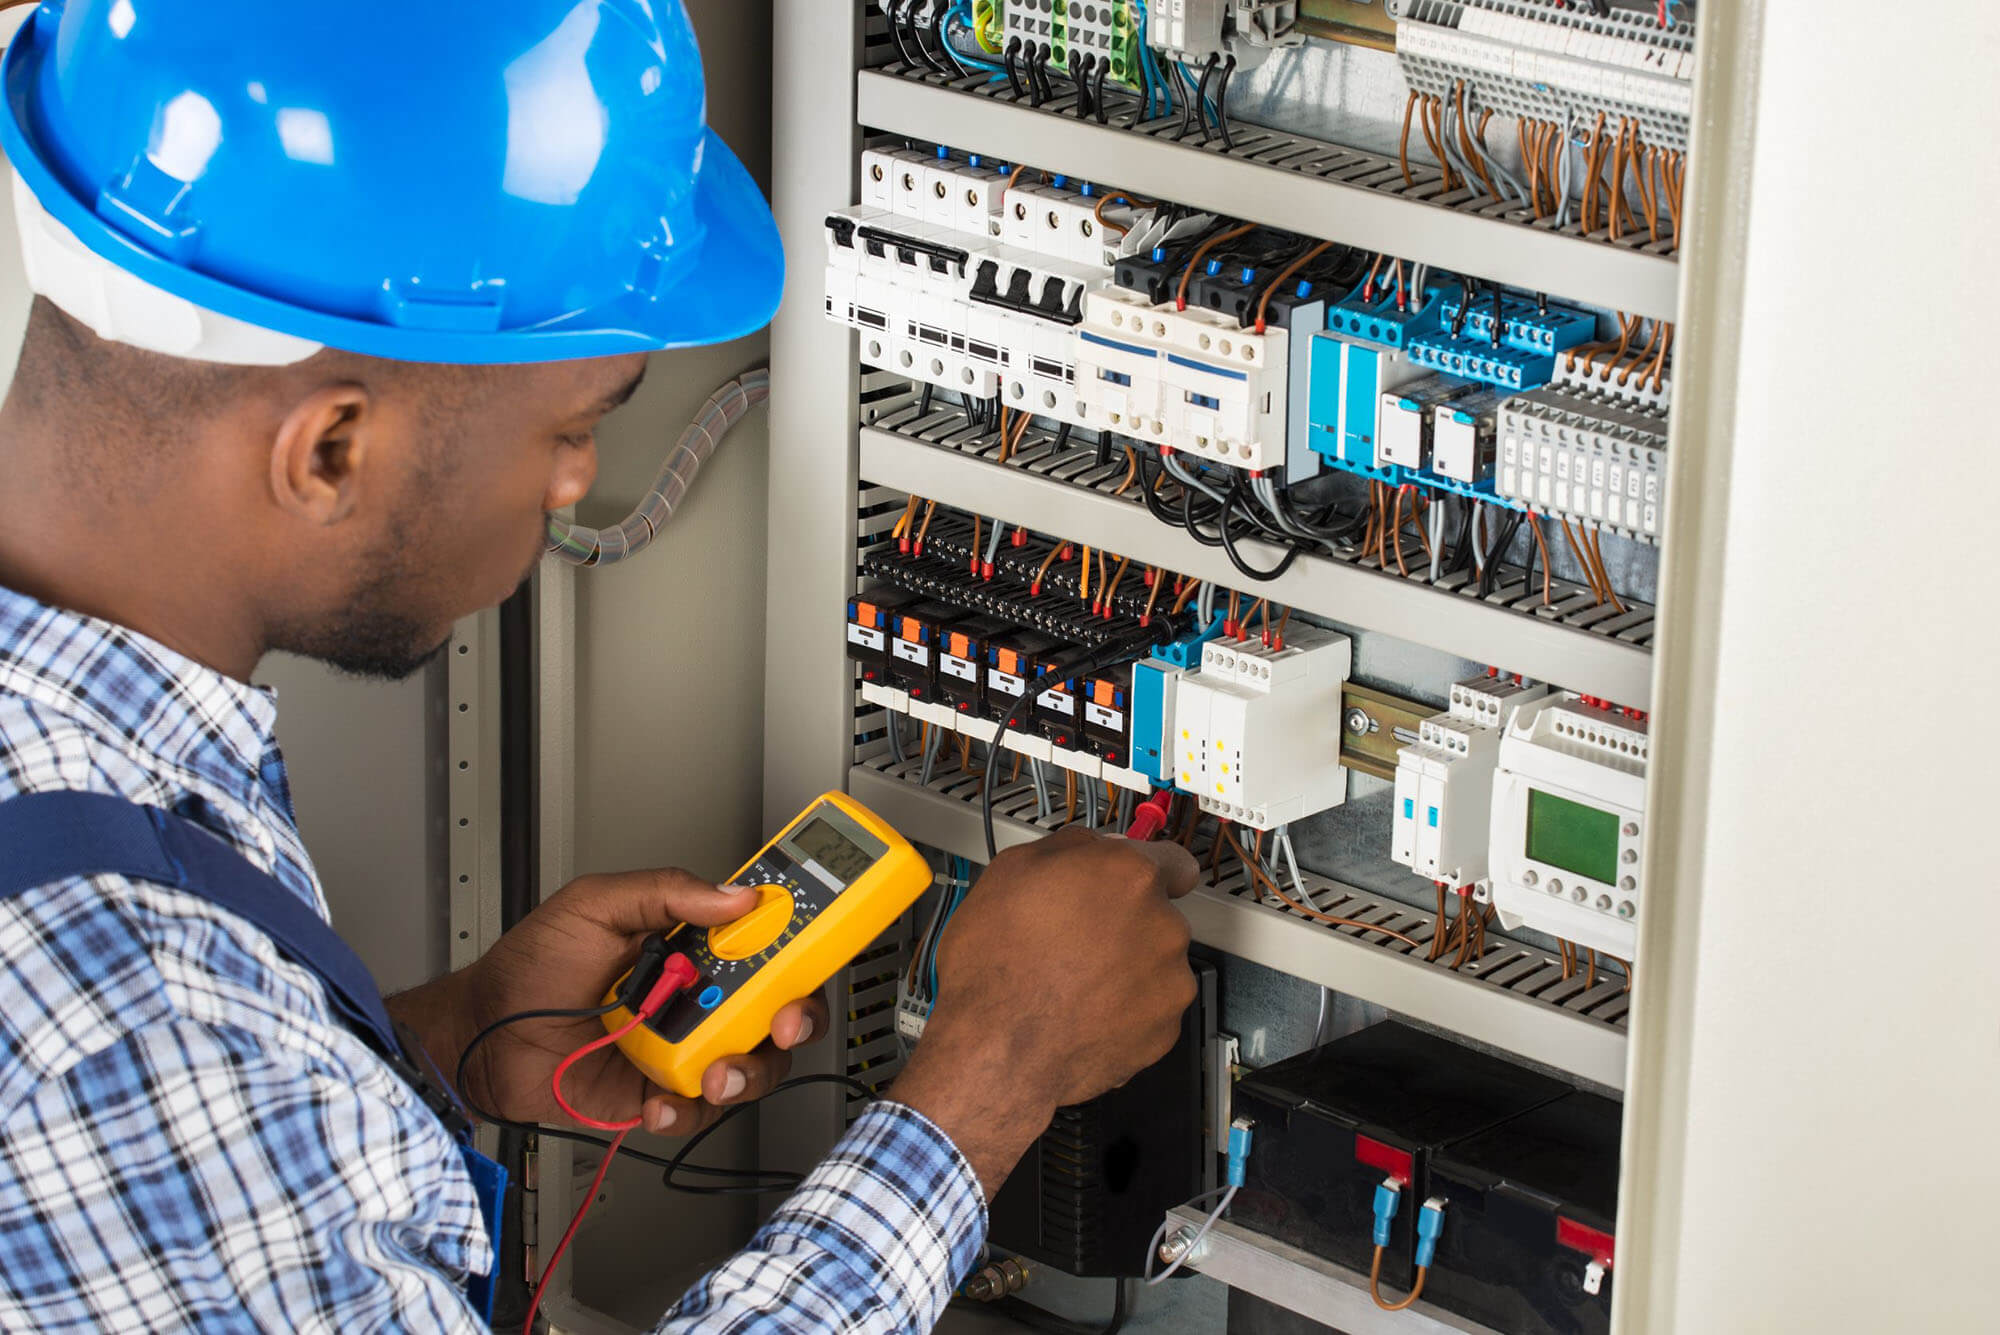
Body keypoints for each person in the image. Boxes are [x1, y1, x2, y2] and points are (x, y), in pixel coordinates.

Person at [0, 2, 1200, 1331]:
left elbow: (167, 1202)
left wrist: (453, 1037)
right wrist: (997, 1067)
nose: (577, 487)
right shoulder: (127, 1012)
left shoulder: (81, 772)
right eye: (573, 431)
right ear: (330, 451)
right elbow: (155, 1093)